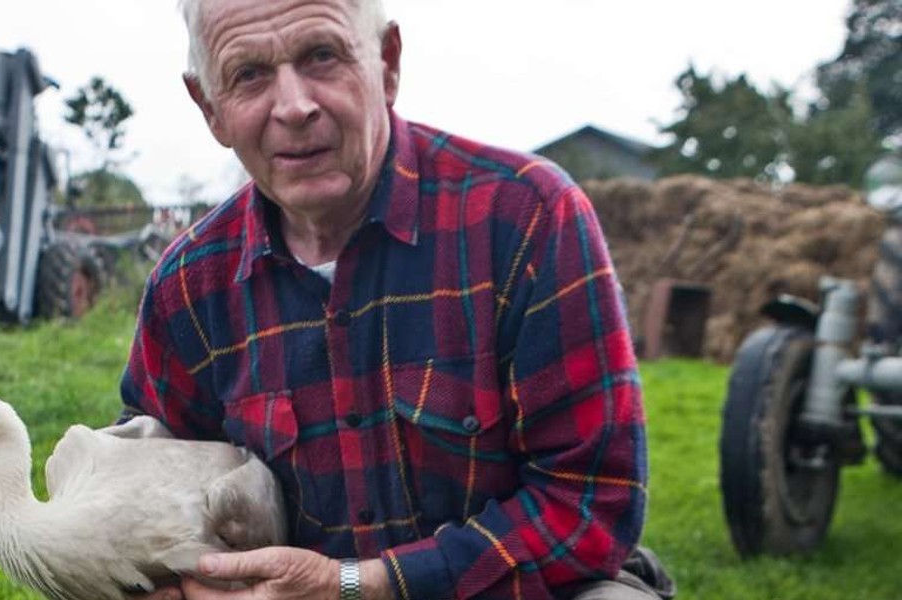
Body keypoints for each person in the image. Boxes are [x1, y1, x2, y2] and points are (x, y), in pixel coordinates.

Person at [120, 1, 672, 598]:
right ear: (210, 109)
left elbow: (590, 502)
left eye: (322, 56)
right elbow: (143, 494)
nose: (294, 106)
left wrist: (361, 585)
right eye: (249, 75)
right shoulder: (188, 285)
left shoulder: (525, 218)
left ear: (387, 64)